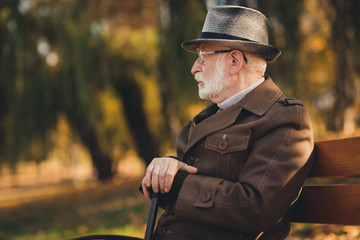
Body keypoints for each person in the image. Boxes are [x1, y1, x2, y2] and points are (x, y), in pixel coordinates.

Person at [141, 5, 314, 240]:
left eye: (203, 56)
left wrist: (176, 185)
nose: (194, 69)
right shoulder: (210, 116)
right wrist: (167, 168)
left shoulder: (284, 117)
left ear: (234, 61)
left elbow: (255, 210)